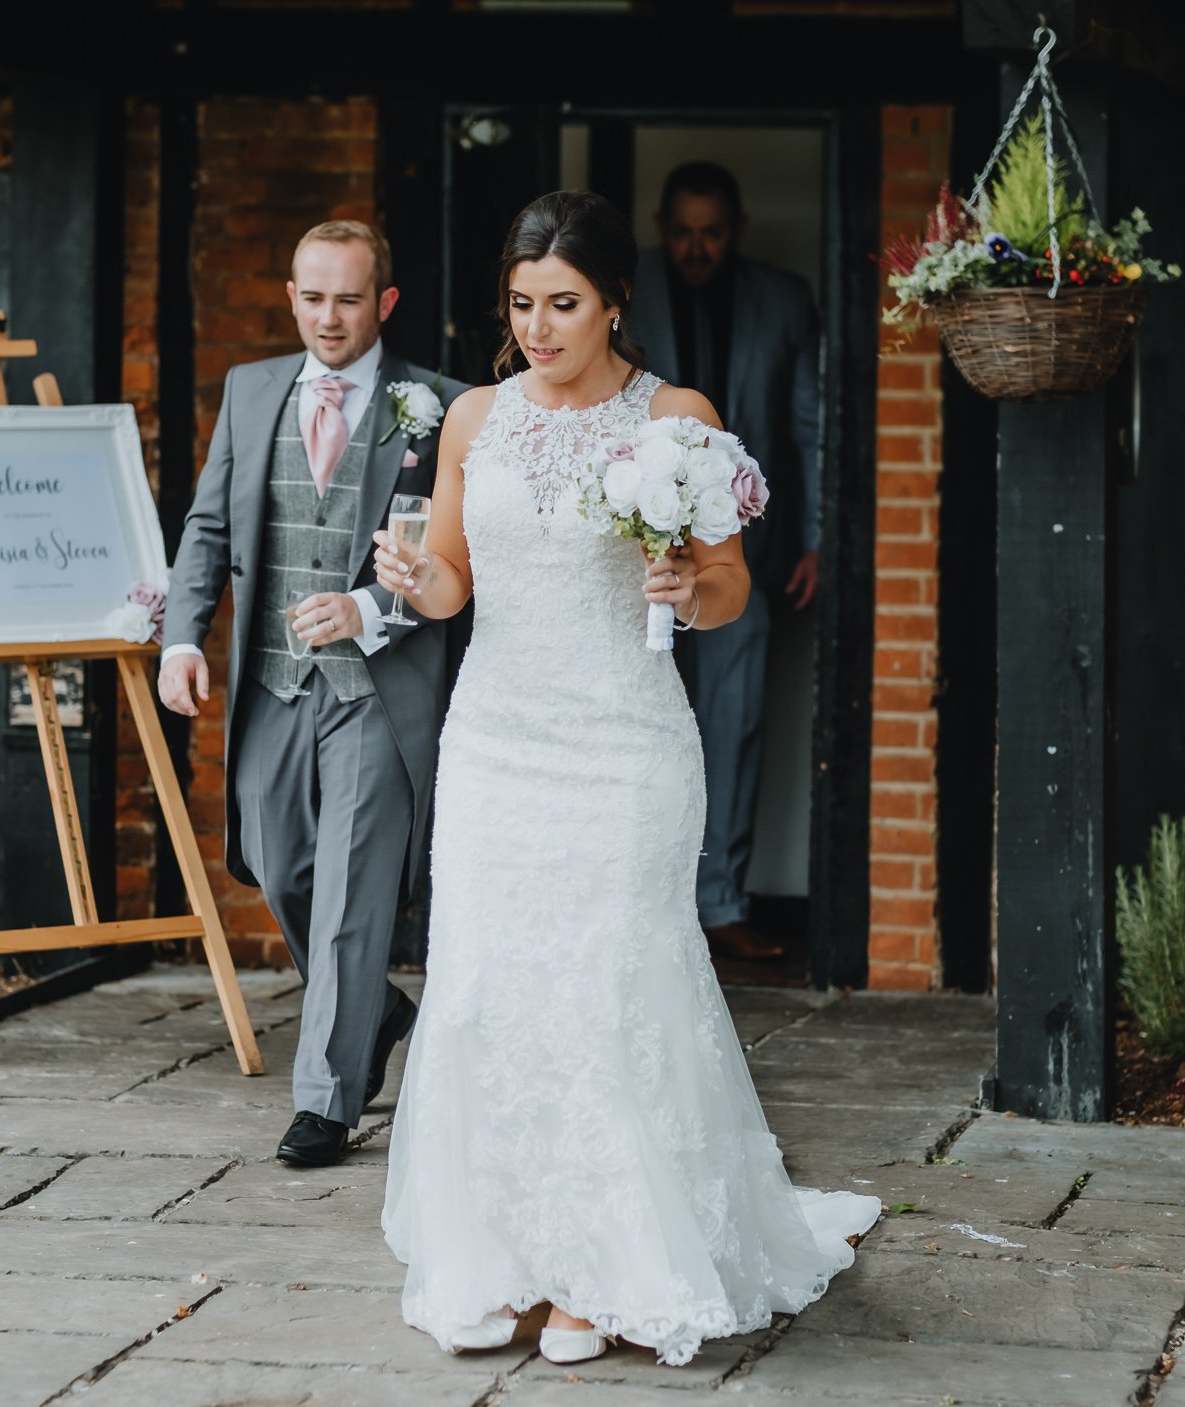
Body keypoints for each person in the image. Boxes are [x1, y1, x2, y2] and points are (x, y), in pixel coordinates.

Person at [376, 191, 878, 1368]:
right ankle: (504, 1256)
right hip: (495, 742)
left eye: (562, 305)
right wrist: (411, 581)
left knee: (605, 993)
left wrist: (683, 594)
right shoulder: (472, 421)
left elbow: (729, 587)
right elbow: (454, 580)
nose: (538, 329)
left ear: (614, 305)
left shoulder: (675, 420)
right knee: (492, 993)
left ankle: (601, 1271)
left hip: (623, 748)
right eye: (520, 305)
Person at [159, 220, 469, 1169]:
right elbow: (209, 524)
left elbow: (445, 555)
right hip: (273, 679)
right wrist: (181, 636)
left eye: (346, 298)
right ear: (289, 294)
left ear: (384, 304)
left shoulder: (439, 407)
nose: (326, 317)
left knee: (347, 892)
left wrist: (371, 606)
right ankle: (372, 1008)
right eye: (310, 295)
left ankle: (327, 1101)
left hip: (377, 684)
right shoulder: (252, 391)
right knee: (275, 856)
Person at [627, 160, 823, 961]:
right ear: (660, 229)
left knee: (736, 729)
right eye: (682, 232)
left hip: (748, 552)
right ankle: (647, 905)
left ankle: (723, 902)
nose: (696, 247)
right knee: (639, 730)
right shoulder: (623, 290)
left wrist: (817, 534)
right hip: (636, 556)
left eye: (711, 233)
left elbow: (810, 421)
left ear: (735, 229)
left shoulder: (784, 300)